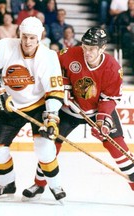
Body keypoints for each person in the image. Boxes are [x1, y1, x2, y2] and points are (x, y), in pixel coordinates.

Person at [24, 27, 134, 200]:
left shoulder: (113, 68)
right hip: (69, 110)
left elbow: (110, 98)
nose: (87, 52)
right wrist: (63, 86)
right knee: (50, 144)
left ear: (103, 48)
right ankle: (39, 184)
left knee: (118, 148)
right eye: (85, 46)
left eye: (92, 49)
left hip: (98, 110)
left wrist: (103, 122)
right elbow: (52, 64)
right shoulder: (70, 53)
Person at [0, 16, 66, 201]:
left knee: (45, 147)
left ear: (39, 37)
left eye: (32, 38)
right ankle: (6, 184)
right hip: (11, 104)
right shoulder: (5, 46)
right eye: (25, 36)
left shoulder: (48, 56)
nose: (27, 42)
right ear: (20, 34)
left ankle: (56, 185)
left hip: (39, 105)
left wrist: (51, 117)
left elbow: (55, 91)